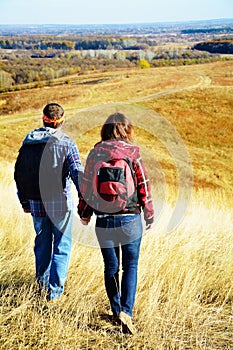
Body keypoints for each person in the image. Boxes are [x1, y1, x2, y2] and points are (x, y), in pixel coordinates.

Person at [78, 112, 154, 334]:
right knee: (131, 265)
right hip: (130, 218)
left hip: (104, 220)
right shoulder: (133, 153)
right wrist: (148, 215)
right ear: (127, 130)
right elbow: (144, 186)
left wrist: (84, 213)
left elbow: (86, 188)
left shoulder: (95, 154)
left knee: (111, 266)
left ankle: (115, 309)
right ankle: (126, 313)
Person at [14, 103, 83, 302]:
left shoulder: (29, 142)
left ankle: (41, 287)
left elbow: (20, 175)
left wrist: (24, 201)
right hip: (61, 204)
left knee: (42, 245)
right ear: (61, 121)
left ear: (43, 118)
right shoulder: (67, 143)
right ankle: (54, 294)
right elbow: (77, 173)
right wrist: (86, 199)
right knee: (62, 246)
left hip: (35, 202)